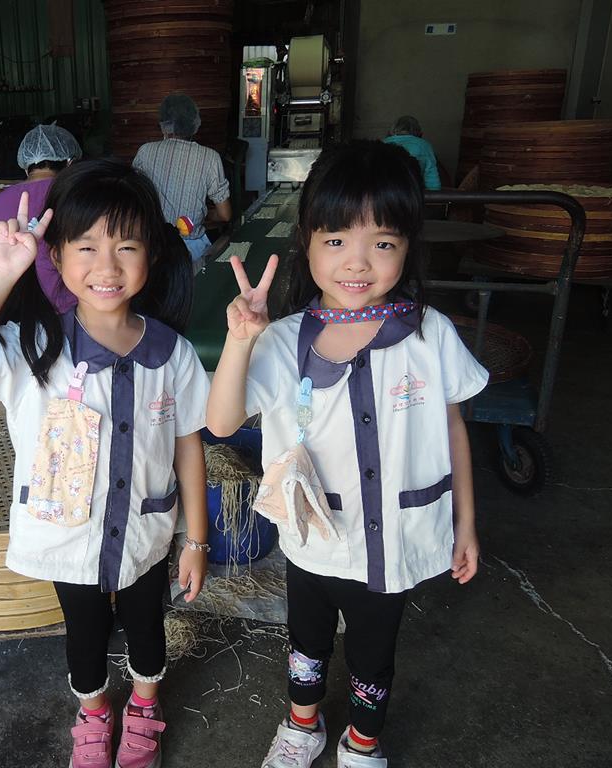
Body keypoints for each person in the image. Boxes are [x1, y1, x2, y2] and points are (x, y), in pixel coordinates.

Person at [206, 140, 486, 768]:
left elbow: (453, 430)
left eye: (382, 242)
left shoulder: (430, 334)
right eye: (336, 240)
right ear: (306, 242)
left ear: (407, 247)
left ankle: (362, 741)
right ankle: (302, 726)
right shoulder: (282, 340)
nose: (357, 262)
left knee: (373, 653)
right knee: (306, 642)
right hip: (314, 537)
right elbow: (221, 423)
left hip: (394, 540)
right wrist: (240, 340)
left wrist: (465, 523)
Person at [0, 158, 211, 768]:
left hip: (146, 534)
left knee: (147, 626)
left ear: (152, 255)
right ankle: (93, 714)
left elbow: (188, 443)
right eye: (86, 247)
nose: (106, 267)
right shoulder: (35, 346)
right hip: (70, 539)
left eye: (126, 246)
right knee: (84, 633)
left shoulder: (172, 353)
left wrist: (196, 539)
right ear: (55, 256)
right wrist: (1, 274)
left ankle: (145, 708)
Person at [0, 124, 81, 312]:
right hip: (74, 311)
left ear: (26, 168)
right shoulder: (81, 197)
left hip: (16, 316)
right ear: (70, 163)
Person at [133, 94, 231, 264]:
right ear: (194, 124)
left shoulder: (145, 152)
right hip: (192, 252)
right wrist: (203, 214)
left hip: (151, 247)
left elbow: (133, 199)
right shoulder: (210, 157)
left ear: (164, 124)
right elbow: (225, 215)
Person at [383, 116, 441, 191]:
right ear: (418, 131)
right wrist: (434, 193)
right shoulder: (424, 145)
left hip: (384, 191)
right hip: (412, 191)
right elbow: (431, 176)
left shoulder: (383, 143)